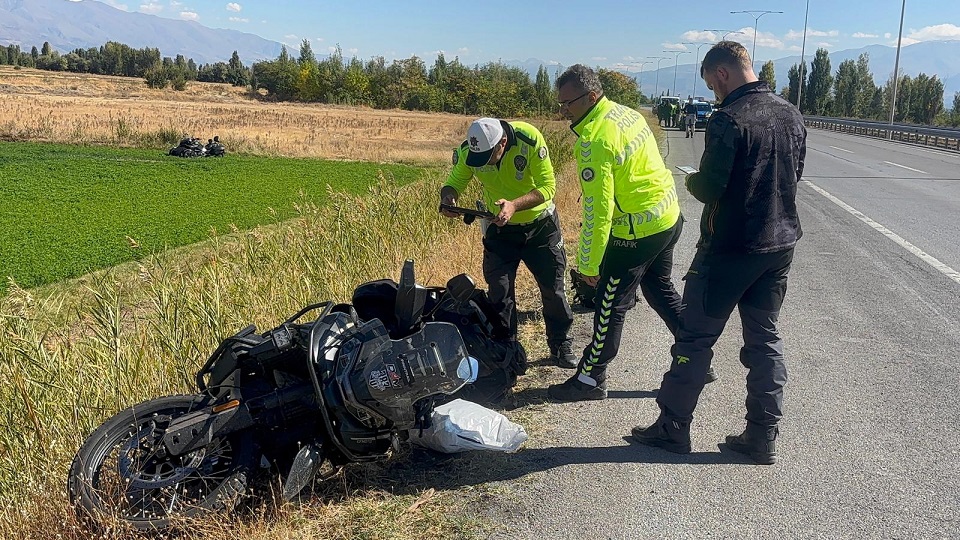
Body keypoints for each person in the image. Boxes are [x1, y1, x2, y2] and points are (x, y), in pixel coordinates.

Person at [632, 41, 806, 465]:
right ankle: (762, 436)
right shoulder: (791, 113)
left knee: (695, 337)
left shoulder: (728, 119)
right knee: (764, 339)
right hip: (779, 245)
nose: (712, 93)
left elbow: (709, 188)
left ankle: (673, 428)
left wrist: (691, 183)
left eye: (711, 84)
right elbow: (795, 173)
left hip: (728, 249)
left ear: (722, 73)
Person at [546, 64, 687, 402]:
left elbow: (598, 210)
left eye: (568, 103)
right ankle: (695, 356)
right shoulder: (627, 114)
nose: (563, 111)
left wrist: (589, 265)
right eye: (560, 103)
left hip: (637, 231)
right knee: (658, 287)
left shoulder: (594, 140)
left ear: (592, 96)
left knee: (610, 304)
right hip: (668, 218)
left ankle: (590, 379)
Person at [440, 118, 576, 368]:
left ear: (502, 143)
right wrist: (449, 197)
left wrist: (514, 205)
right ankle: (508, 350)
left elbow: (548, 187)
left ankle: (560, 342)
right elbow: (455, 182)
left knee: (552, 288)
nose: (484, 163)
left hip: (540, 227)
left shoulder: (529, 139)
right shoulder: (468, 150)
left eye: (488, 157)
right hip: (500, 230)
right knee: (499, 293)